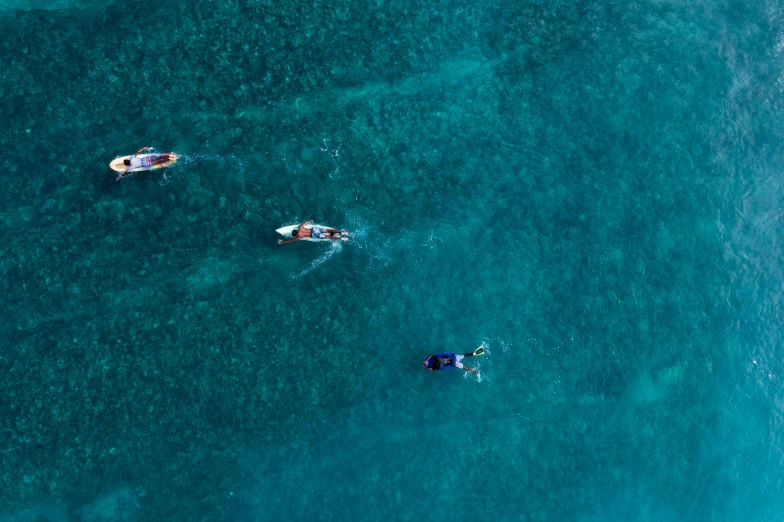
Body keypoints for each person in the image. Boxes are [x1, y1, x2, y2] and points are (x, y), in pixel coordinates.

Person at [278, 220, 349, 244]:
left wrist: (282, 242)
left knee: (327, 236)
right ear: (296, 230)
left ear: (295, 235)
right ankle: (341, 232)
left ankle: (341, 239)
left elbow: (290, 241)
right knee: (328, 231)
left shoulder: (298, 237)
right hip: (314, 230)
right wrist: (310, 221)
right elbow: (305, 223)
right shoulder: (300, 227)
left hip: (314, 235)